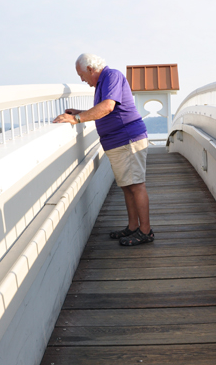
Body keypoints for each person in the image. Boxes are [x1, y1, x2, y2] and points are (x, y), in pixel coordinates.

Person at [53, 53, 154, 246]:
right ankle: (133, 227)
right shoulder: (102, 83)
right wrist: (80, 113)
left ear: (91, 69)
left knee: (136, 185)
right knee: (127, 186)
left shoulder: (111, 76)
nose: (81, 79)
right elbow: (104, 110)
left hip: (127, 138)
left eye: (81, 74)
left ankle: (145, 231)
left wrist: (77, 119)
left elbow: (107, 107)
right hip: (119, 141)